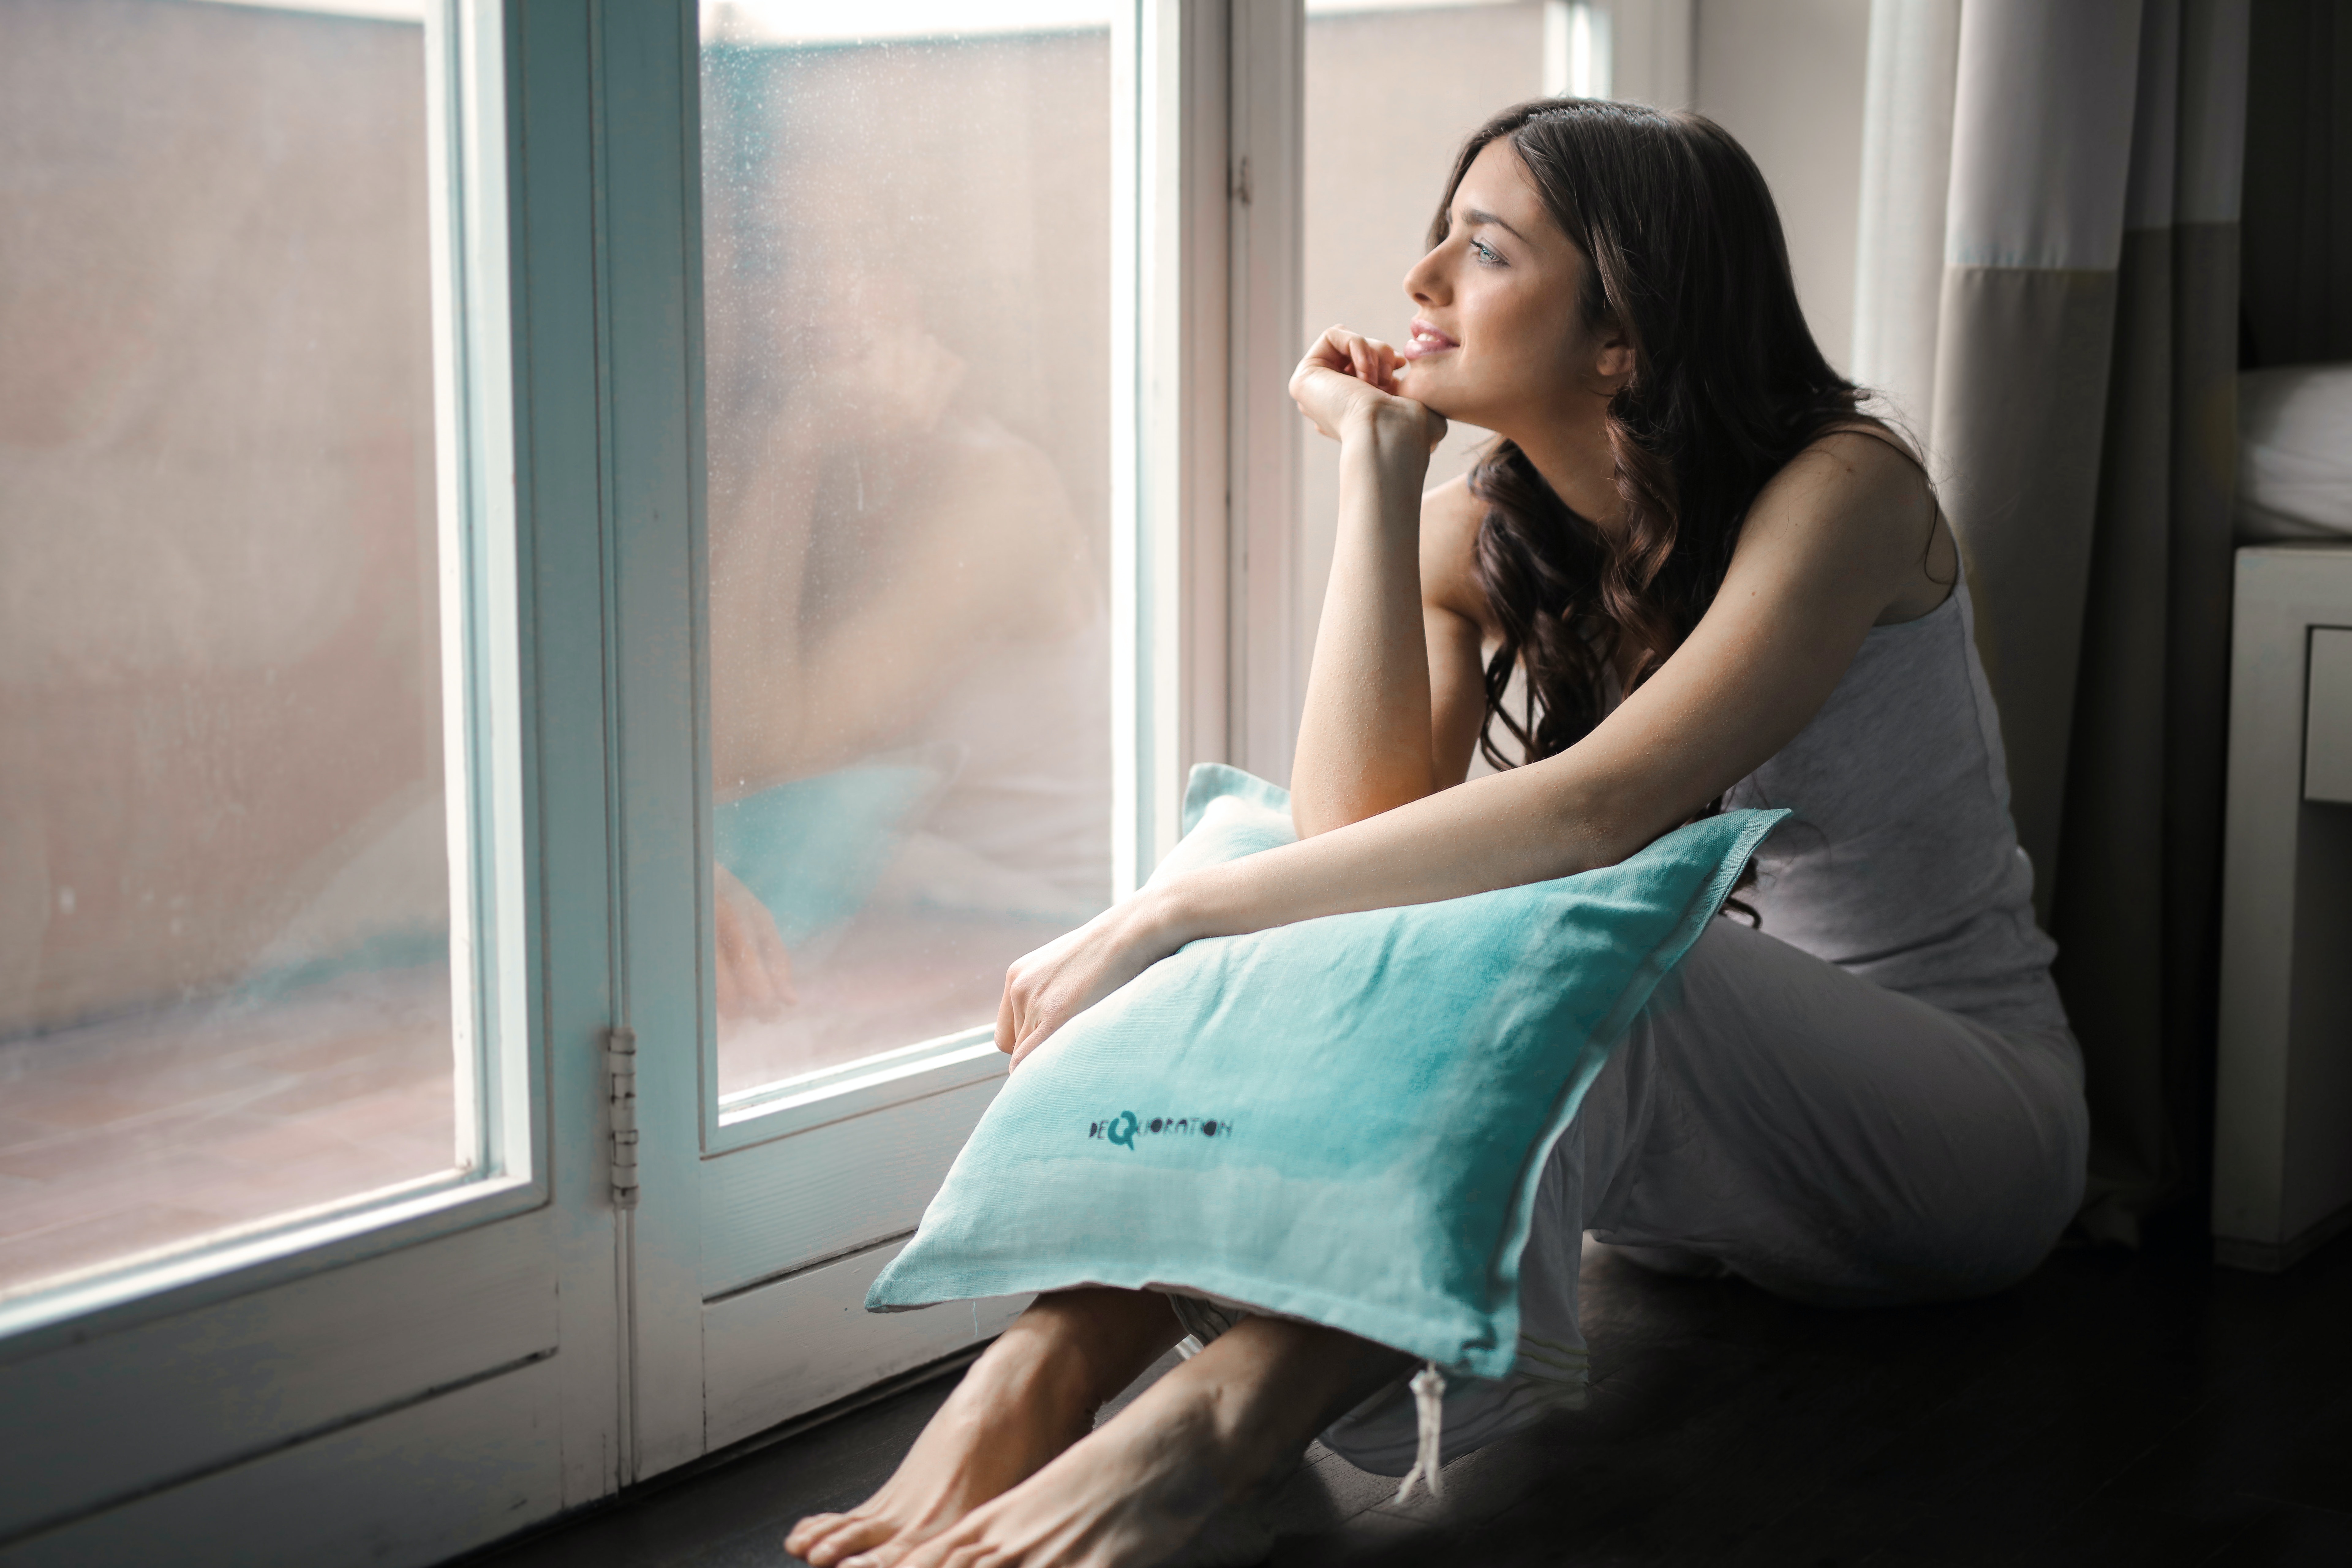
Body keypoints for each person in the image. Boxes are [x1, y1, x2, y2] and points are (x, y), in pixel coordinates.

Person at [785, 98, 2088, 1568]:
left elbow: (1599, 809)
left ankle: (1208, 1431)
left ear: (1623, 335)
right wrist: (1379, 472)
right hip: (1687, 1165)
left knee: (1528, 919)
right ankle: (1046, 1365)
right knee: (1265, 852)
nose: (1419, 283)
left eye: (1482, 250)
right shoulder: (1488, 524)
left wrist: (1164, 918)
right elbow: (1356, 848)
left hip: (1961, 1132)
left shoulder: (1847, 489)